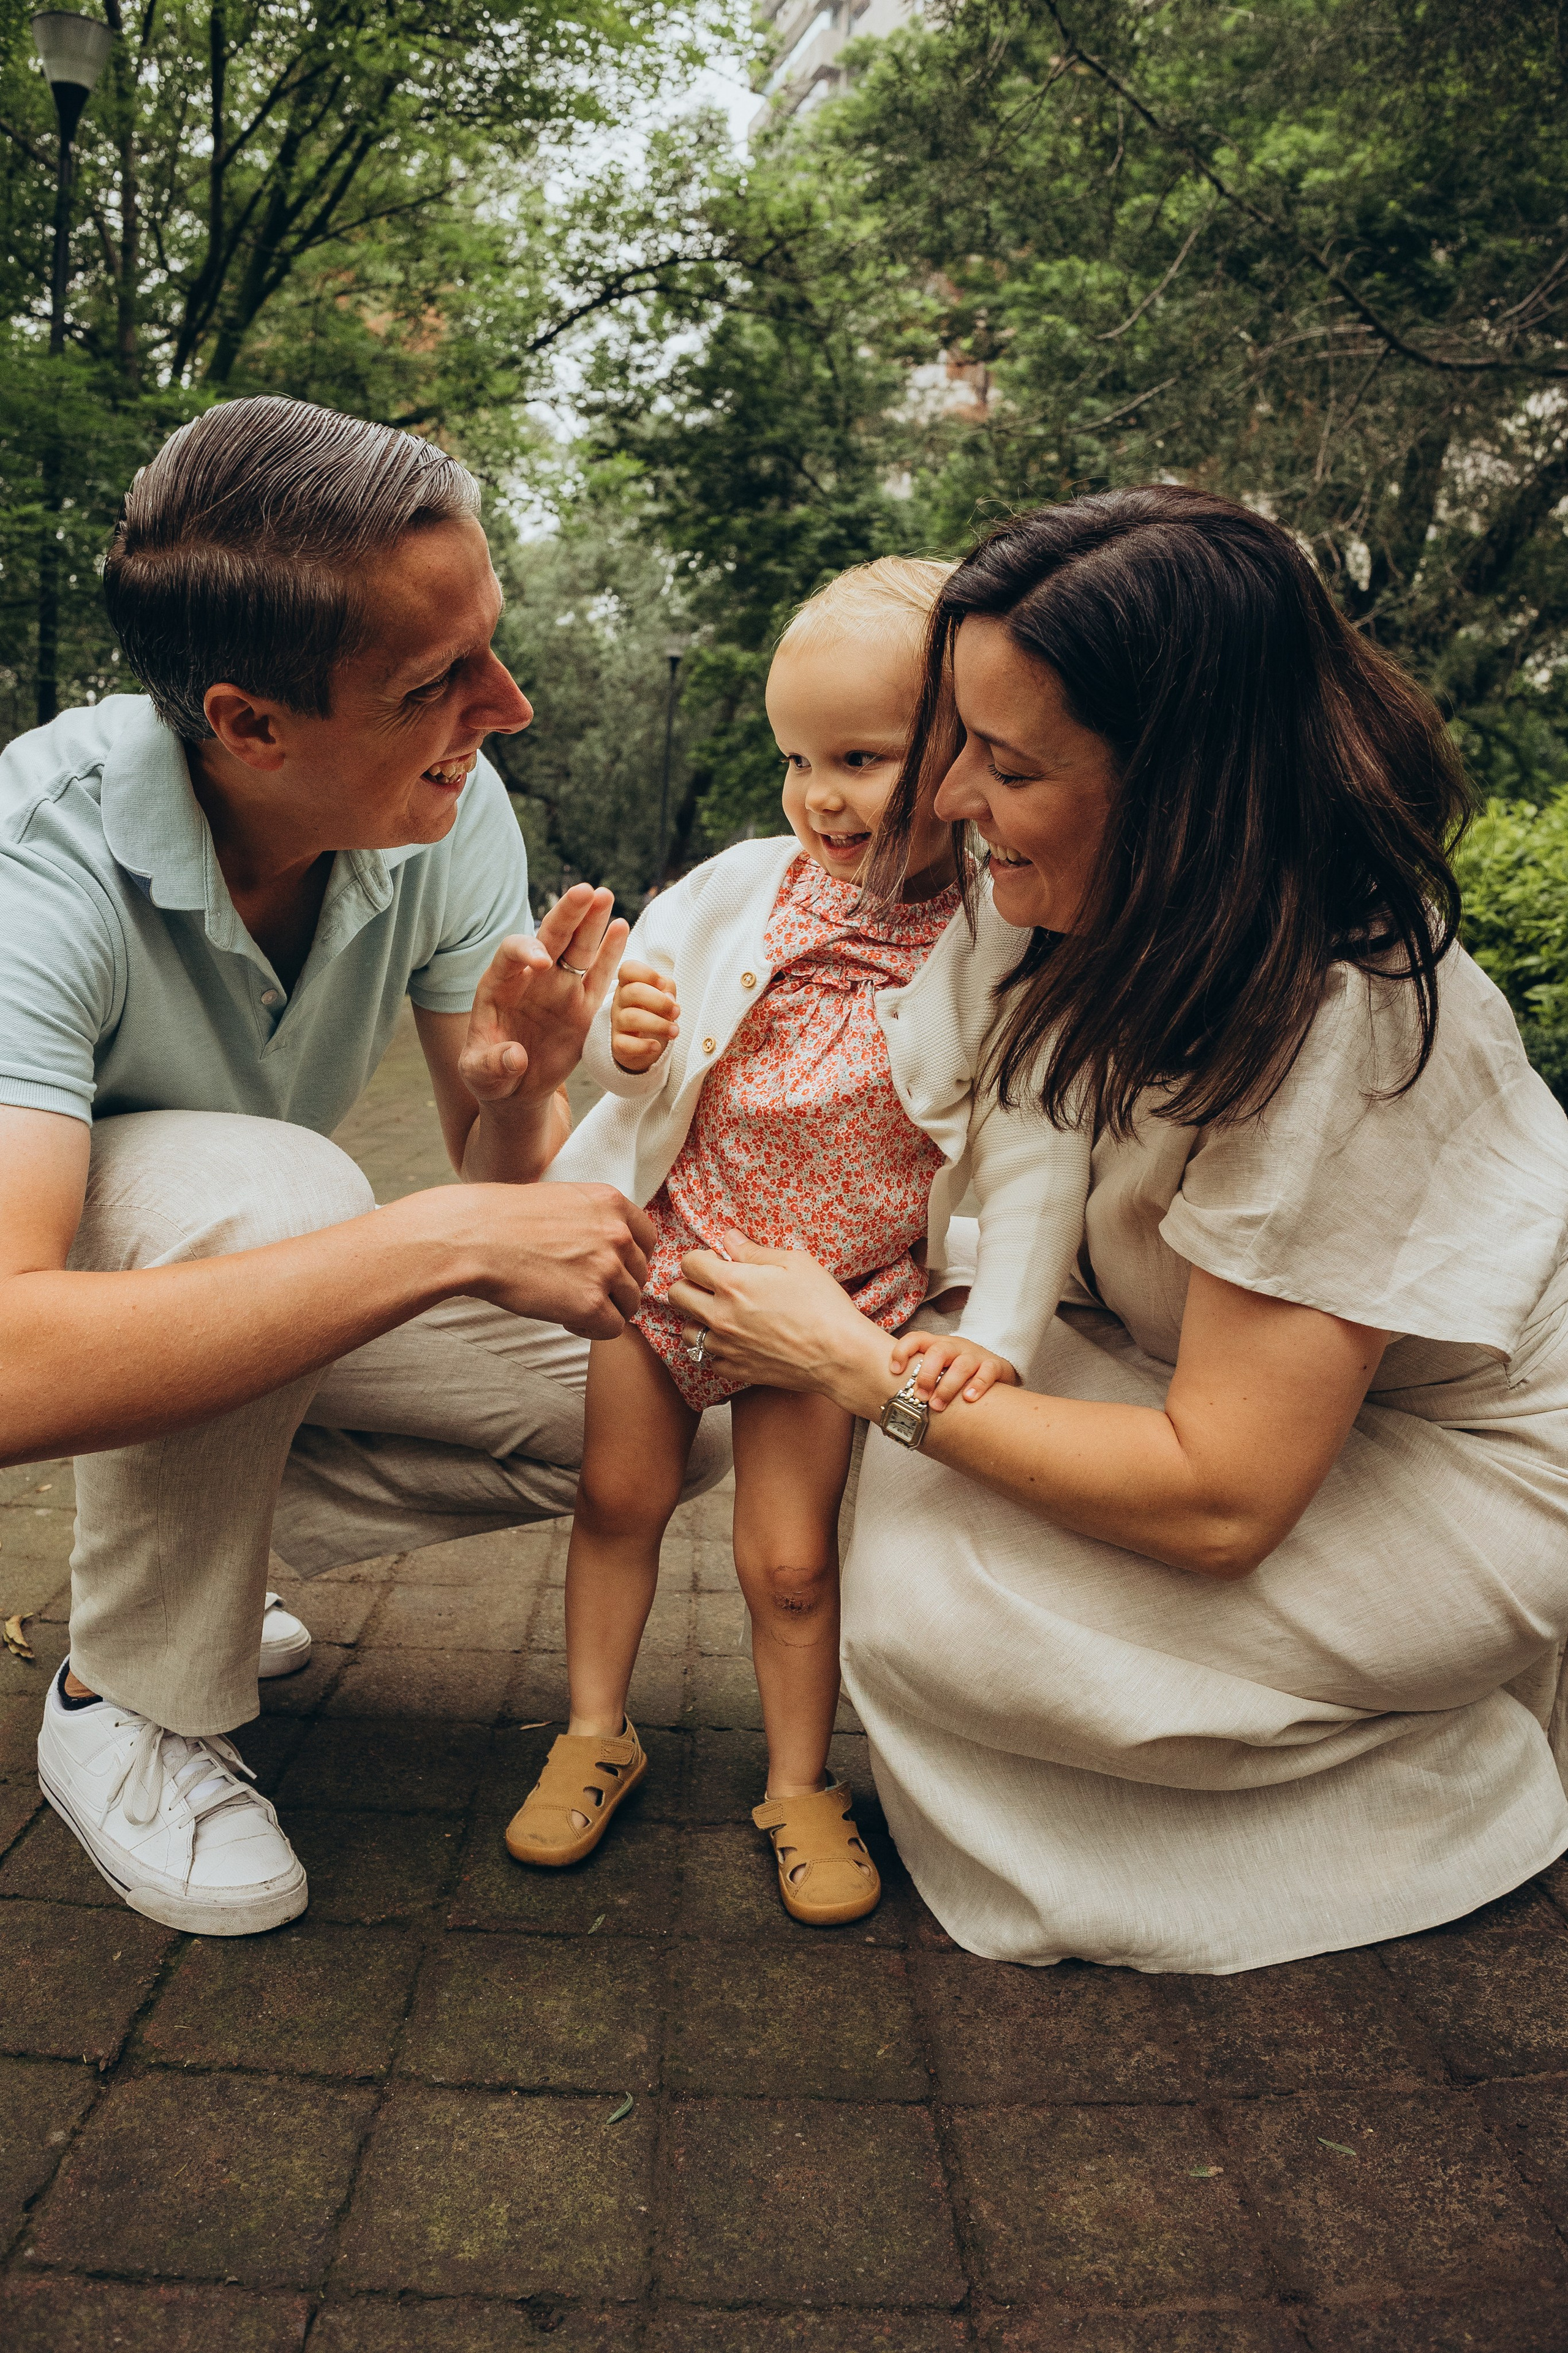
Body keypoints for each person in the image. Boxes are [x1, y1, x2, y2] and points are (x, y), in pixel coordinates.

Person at [666, 485, 1568, 1974]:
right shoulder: (1056, 903)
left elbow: (1219, 1500)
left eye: (1002, 765)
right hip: (1184, 1372)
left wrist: (854, 1364)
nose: (944, 801)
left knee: (938, 1606)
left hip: (1449, 1470)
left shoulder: (1342, 1010)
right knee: (910, 1512)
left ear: (1180, 788)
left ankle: (1428, 1788)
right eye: (952, 743)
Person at [2, 396, 726, 1938]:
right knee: (286, 1190)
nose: (508, 705)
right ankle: (122, 1688)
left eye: (489, 644)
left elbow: (500, 1190)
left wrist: (517, 1089)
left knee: (671, 1378)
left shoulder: (440, 797)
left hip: (218, 1272)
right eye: (435, 681)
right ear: (248, 723)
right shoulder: (32, 865)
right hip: (72, 1270)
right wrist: (424, 1243)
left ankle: (200, 1552)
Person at [502, 561, 1089, 1924]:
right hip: (679, 1261)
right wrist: (614, 1039)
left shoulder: (1000, 935)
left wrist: (994, 1338)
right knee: (616, 1502)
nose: (817, 795)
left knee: (789, 1557)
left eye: (861, 757)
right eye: (795, 759)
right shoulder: (736, 886)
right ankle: (596, 1727)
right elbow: (639, 1024)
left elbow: (1033, 1149)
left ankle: (797, 1779)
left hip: (836, 1303)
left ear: (958, 754)